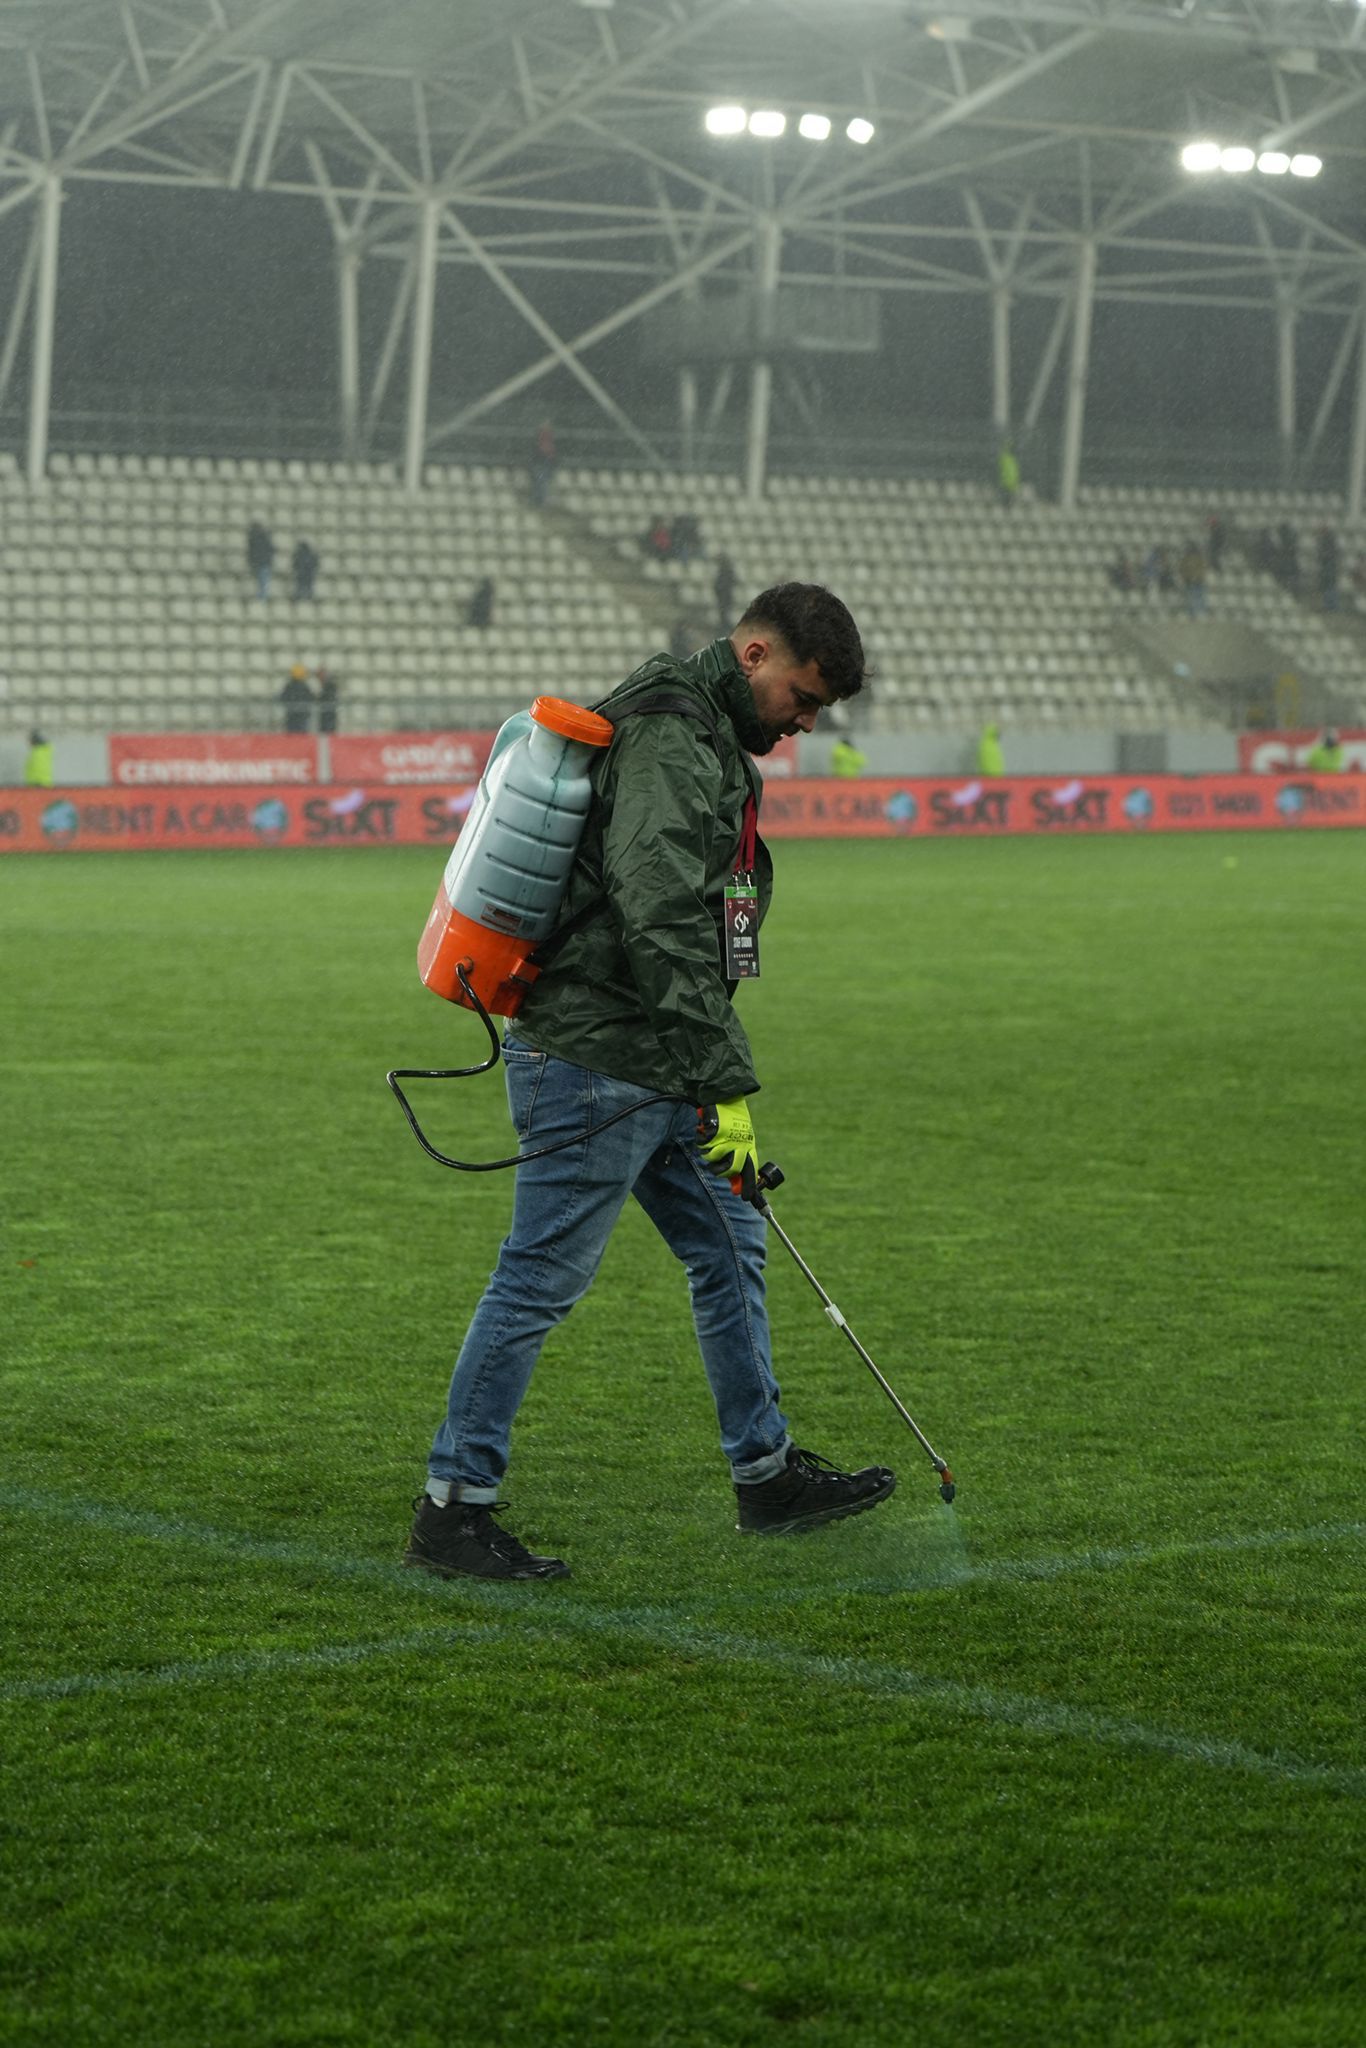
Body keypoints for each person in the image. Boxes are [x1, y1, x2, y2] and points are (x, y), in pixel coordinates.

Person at [403, 583, 894, 1583]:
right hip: (594, 1058)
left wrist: (709, 1074)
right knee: (539, 1275)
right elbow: (661, 913)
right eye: (801, 696)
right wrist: (729, 1082)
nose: (804, 723)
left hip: (656, 1057)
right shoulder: (673, 734)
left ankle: (765, 1475)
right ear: (754, 650)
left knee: (731, 1246)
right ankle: (451, 1511)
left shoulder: (707, 731)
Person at [279, 662, 314, 734]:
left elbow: (283, 698)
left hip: (291, 716)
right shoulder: (304, 686)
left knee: (292, 737)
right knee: (301, 736)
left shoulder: (289, 686)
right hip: (301, 716)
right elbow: (311, 698)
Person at [530, 421, 557, 507]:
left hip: (545, 461)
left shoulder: (548, 440)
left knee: (543, 481)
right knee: (540, 481)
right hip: (541, 461)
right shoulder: (541, 439)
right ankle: (539, 500)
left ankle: (540, 500)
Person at [246, 520, 274, 602]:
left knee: (260, 581)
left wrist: (251, 561)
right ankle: (262, 597)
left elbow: (251, 552)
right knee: (263, 581)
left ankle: (261, 597)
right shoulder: (265, 537)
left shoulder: (253, 538)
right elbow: (270, 550)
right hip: (264, 563)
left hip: (257, 563)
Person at [1179, 541, 1208, 619]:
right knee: (1190, 598)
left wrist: (1197, 576)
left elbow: (1202, 569)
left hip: (1198, 581)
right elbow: (1182, 569)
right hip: (1189, 581)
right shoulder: (1186, 558)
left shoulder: (1198, 558)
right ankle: (1192, 613)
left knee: (1198, 597)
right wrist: (1187, 577)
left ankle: (1200, 613)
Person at [291, 538, 320, 603]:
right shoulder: (311, 554)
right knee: (307, 586)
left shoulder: (298, 554)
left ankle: (299, 598)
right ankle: (308, 598)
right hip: (308, 574)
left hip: (302, 574)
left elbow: (295, 564)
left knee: (300, 587)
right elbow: (315, 564)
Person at [714, 551, 737, 630]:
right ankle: (725, 626)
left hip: (724, 595)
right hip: (724, 595)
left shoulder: (725, 571)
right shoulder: (726, 570)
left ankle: (724, 626)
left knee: (724, 613)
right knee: (724, 613)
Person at [997, 441, 1020, 511]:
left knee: (1009, 500)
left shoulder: (1012, 459)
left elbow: (1015, 474)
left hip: (1010, 486)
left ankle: (1007, 507)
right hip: (1006, 486)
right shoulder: (1005, 458)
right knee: (1006, 500)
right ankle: (1006, 507)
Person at [315, 667, 339, 734]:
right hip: (326, 715)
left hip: (328, 715)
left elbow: (326, 698)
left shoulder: (329, 685)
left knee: (328, 732)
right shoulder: (327, 685)